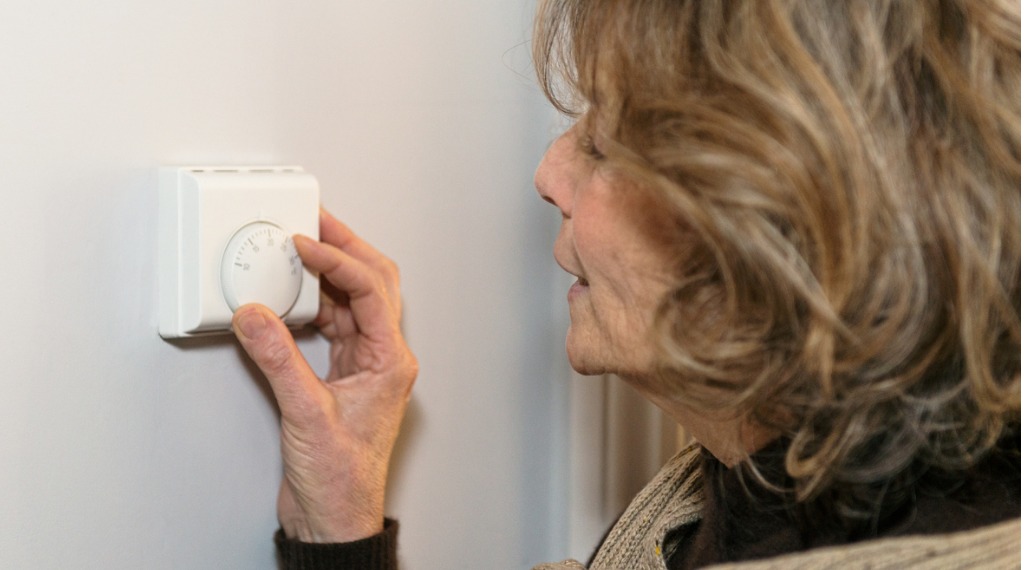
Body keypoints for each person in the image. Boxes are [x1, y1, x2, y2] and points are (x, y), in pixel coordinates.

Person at [231, 0, 1021, 568]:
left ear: (771, 234)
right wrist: (341, 526)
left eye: (606, 144)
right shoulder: (743, 481)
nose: (548, 174)